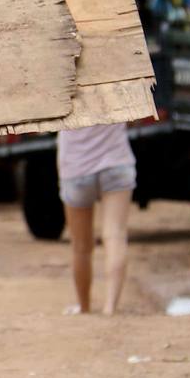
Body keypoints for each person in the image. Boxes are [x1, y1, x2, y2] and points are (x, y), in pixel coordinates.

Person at [58, 123, 136, 314]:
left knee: (81, 247)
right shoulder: (117, 90)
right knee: (115, 235)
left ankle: (84, 308)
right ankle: (110, 308)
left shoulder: (62, 92)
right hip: (116, 163)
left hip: (76, 168)